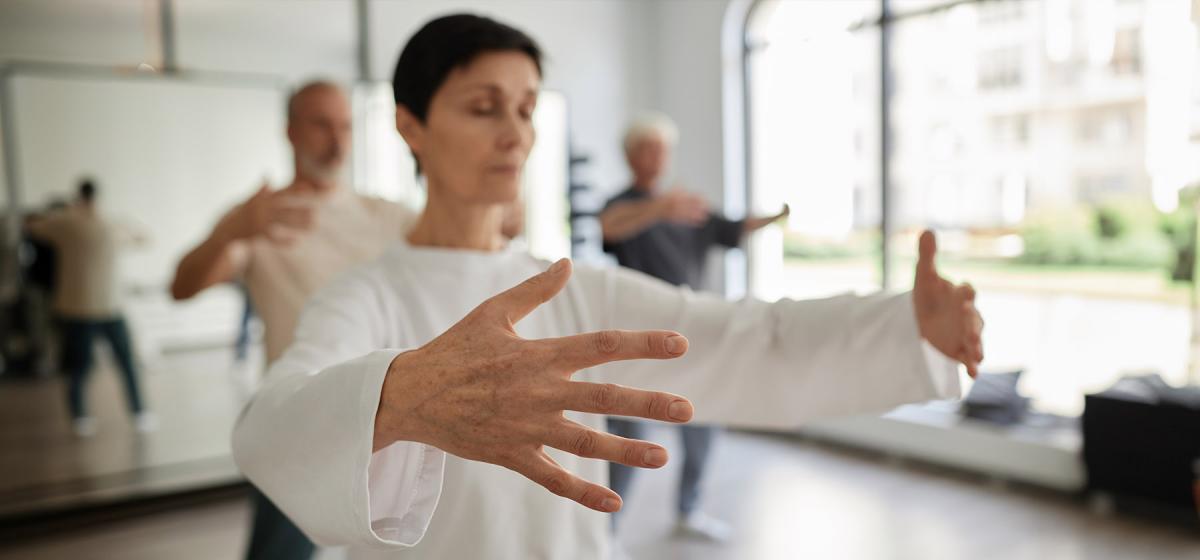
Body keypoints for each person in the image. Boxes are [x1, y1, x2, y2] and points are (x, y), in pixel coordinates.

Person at [232, 14, 984, 560]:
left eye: (525, 109)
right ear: (410, 127)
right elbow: (272, 426)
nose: (516, 133)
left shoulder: (569, 289)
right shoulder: (365, 296)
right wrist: (402, 396)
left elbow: (746, 340)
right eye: (484, 106)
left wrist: (906, 331)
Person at [170, 80, 417, 560]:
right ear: (291, 132)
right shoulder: (260, 218)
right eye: (322, 124)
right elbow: (183, 287)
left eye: (345, 125)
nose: (337, 139)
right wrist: (231, 230)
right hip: (299, 422)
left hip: (383, 421)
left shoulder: (385, 216)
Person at [599, 113, 789, 541]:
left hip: (689, 336)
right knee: (629, 434)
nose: (657, 157)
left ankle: (689, 510)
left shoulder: (688, 208)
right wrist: (658, 208)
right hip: (637, 343)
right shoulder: (623, 206)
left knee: (704, 419)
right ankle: (605, 533)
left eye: (662, 149)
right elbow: (608, 228)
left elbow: (734, 226)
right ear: (630, 156)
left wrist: (779, 215)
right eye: (648, 148)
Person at [26, 180, 153, 437]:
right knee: (93, 366)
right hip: (89, 308)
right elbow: (143, 236)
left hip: (98, 307)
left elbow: (32, 227)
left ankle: (91, 415)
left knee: (88, 366)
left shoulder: (70, 223)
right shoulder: (90, 223)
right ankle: (128, 413)